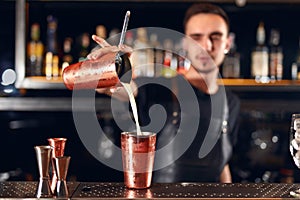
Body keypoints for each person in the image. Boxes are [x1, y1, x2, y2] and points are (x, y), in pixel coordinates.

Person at [88, 3, 240, 183]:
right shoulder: (160, 89)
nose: (206, 46)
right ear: (185, 43)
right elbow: (117, 88)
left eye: (215, 37)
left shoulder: (231, 102)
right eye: (196, 37)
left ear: (227, 43)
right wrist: (109, 69)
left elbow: (223, 163)